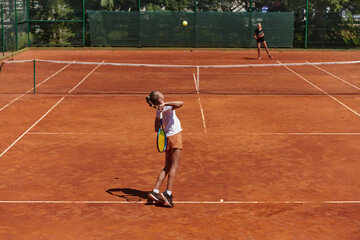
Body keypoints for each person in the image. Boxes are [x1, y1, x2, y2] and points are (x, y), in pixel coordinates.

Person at [146, 90, 183, 207]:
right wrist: (165, 105)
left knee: (167, 166)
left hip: (167, 138)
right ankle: (168, 193)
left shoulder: (158, 111)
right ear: (159, 99)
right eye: (160, 93)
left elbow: (157, 129)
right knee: (174, 166)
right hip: (175, 136)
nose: (162, 92)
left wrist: (161, 108)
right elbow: (180, 103)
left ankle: (155, 191)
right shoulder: (167, 107)